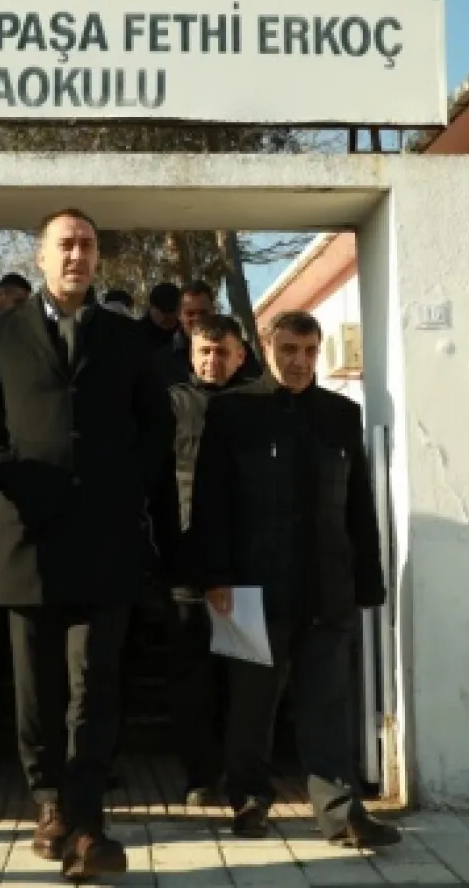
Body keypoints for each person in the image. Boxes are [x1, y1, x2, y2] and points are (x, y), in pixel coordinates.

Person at [0, 208, 172, 882]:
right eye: (65, 245)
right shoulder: (0, 330)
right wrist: (6, 474)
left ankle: (86, 817)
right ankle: (46, 802)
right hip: (27, 535)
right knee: (37, 686)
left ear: (97, 257)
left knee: (94, 683)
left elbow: (155, 426)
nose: (77, 254)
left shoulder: (128, 337)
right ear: (42, 257)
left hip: (105, 540)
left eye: (87, 244)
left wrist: (128, 491)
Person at [190, 310, 401, 849]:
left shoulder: (341, 416)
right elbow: (210, 502)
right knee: (251, 704)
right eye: (289, 350)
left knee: (327, 703)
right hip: (248, 587)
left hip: (327, 586)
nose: (300, 362)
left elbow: (358, 506)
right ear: (267, 347)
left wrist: (366, 583)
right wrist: (213, 575)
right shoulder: (233, 412)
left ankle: (340, 813)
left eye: (309, 351)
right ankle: (249, 802)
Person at [152, 314, 254, 807]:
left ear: (241, 355)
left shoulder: (260, 405)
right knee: (192, 680)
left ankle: (244, 776)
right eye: (204, 353)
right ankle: (200, 774)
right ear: (192, 355)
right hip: (186, 565)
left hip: (247, 565)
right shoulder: (170, 406)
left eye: (223, 352)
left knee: (243, 678)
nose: (213, 361)